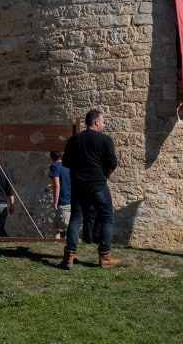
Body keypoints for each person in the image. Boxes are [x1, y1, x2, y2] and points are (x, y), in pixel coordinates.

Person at [62, 109, 120, 268]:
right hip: (98, 183)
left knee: (76, 218)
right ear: (95, 122)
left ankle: (69, 255)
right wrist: (104, 174)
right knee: (107, 217)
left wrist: (79, 171)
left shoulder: (74, 140)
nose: (103, 124)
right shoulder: (105, 140)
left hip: (79, 183)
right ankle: (104, 256)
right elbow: (112, 163)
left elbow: (66, 162)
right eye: (102, 121)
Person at [49, 150, 71, 240]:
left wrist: (55, 202)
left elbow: (57, 185)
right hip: (71, 200)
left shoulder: (55, 166)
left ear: (51, 157)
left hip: (63, 201)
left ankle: (58, 248)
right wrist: (50, 187)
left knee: (58, 229)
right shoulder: (69, 166)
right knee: (58, 227)